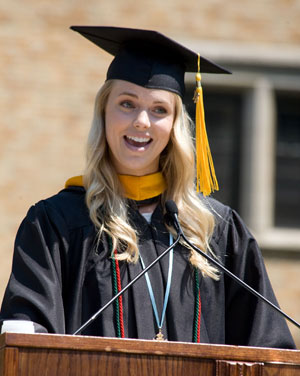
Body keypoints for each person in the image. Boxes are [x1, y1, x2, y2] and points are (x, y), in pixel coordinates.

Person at [0, 26, 296, 348]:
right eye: (127, 104)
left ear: (174, 126)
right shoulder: (56, 225)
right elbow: (26, 343)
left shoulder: (216, 231)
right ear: (104, 111)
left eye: (159, 110)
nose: (142, 121)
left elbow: (269, 352)